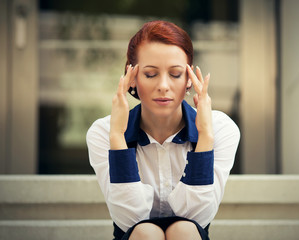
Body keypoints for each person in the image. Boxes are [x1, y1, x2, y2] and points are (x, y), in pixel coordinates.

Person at [86, 20, 240, 240]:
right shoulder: (103, 132)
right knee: (145, 233)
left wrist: (205, 136)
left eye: (176, 74)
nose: (164, 86)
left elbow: (197, 218)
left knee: (184, 230)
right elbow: (130, 219)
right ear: (132, 78)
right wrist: (118, 137)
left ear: (189, 80)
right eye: (150, 74)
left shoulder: (221, 129)